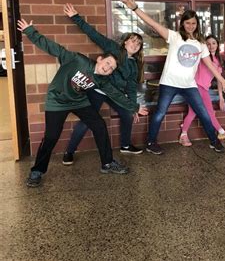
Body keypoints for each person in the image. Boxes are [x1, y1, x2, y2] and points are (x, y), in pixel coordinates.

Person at [17, 19, 148, 188]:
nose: (107, 69)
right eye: (107, 63)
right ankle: (37, 171)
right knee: (51, 136)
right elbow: (53, 48)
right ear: (100, 59)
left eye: (111, 69)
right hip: (57, 101)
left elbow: (117, 95)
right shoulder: (77, 60)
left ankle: (107, 163)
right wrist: (30, 31)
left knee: (99, 125)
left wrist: (135, 107)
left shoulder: (103, 80)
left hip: (79, 101)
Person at [122, 0, 225, 154]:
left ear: (197, 24)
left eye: (193, 23)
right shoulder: (174, 36)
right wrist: (135, 9)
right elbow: (153, 24)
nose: (190, 26)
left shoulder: (200, 44)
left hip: (189, 85)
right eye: (187, 23)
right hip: (169, 83)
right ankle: (151, 142)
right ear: (182, 23)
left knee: (204, 113)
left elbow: (209, 64)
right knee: (160, 113)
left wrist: (222, 80)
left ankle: (214, 141)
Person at [62, 3, 145, 165]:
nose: (135, 45)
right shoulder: (113, 48)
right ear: (125, 42)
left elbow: (131, 87)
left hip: (115, 94)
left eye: (138, 44)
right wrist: (76, 17)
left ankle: (125, 145)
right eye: (132, 41)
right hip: (98, 90)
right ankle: (69, 151)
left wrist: (133, 106)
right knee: (87, 121)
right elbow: (94, 35)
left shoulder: (134, 65)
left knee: (127, 114)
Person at [179, 35, 225, 146]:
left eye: (214, 43)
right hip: (195, 86)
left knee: (193, 111)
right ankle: (221, 132)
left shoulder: (218, 60)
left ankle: (184, 132)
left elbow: (219, 79)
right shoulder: (202, 57)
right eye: (208, 44)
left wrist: (221, 97)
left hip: (203, 88)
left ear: (218, 45)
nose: (211, 46)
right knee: (208, 112)